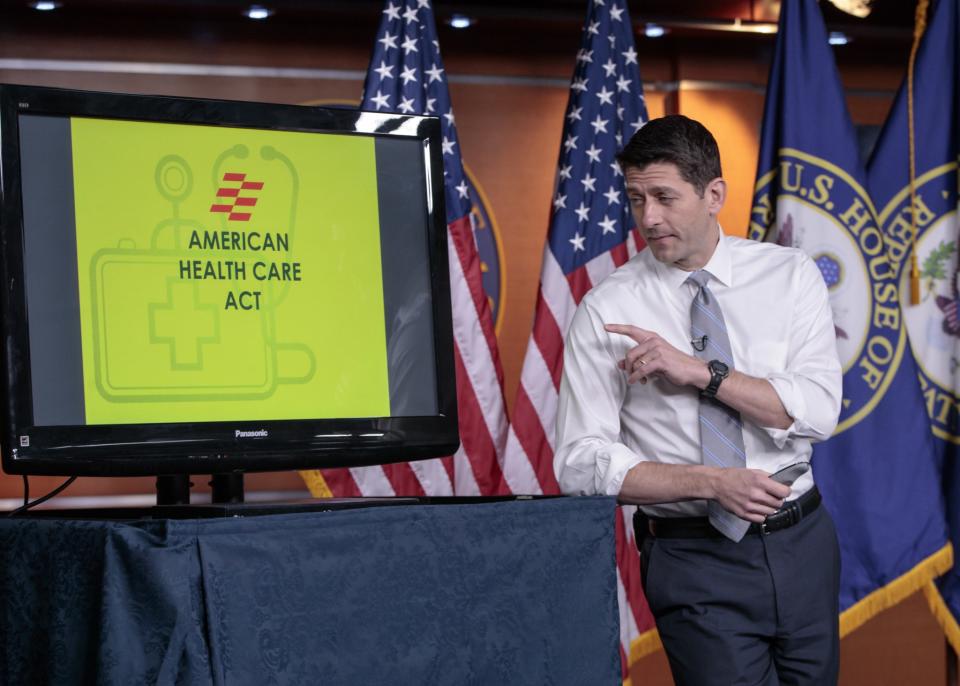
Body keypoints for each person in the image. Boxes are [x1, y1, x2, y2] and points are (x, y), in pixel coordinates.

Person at [554, 114, 843, 685]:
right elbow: (579, 463)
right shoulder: (606, 309)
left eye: (664, 196)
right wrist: (710, 483)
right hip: (692, 556)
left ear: (715, 194)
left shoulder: (790, 276)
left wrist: (700, 373)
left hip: (803, 544)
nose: (648, 218)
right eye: (637, 199)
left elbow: (814, 410)